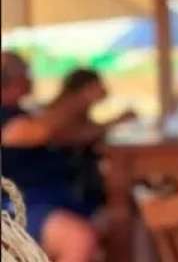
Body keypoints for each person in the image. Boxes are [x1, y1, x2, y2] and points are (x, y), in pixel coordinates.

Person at [1, 52, 100, 262]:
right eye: (26, 72)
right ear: (13, 79)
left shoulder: (20, 111)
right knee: (78, 238)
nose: (31, 78)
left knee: (121, 218)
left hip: (53, 198)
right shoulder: (7, 118)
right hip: (19, 205)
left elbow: (69, 136)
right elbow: (38, 132)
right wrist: (80, 97)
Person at [50, 68, 136, 216]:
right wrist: (115, 122)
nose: (104, 89)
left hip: (82, 177)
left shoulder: (79, 110)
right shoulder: (63, 111)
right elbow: (73, 136)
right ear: (86, 88)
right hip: (71, 181)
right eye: (99, 85)